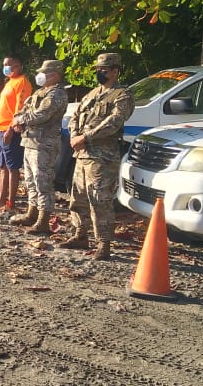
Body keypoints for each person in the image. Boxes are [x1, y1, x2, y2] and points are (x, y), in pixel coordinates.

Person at [60, 53, 135, 259]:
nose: (99, 73)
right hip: (82, 154)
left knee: (100, 200)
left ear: (115, 71)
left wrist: (86, 137)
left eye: (104, 69)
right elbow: (75, 116)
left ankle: (103, 243)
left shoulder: (122, 95)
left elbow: (114, 122)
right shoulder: (92, 94)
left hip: (102, 156)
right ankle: (80, 234)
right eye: (98, 69)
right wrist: (75, 135)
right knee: (78, 197)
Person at [8, 60, 69, 234]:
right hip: (30, 141)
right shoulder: (40, 92)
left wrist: (21, 120)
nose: (40, 75)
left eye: (45, 72)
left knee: (43, 182)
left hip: (45, 144)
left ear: (55, 74)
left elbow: (42, 114)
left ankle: (43, 221)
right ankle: (32, 213)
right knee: (30, 181)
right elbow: (23, 110)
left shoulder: (57, 94)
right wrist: (17, 121)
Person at [0, 55, 32, 212]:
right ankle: (1, 200)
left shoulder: (22, 83)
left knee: (12, 167)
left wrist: (11, 129)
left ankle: (11, 202)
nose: (5, 68)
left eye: (7, 65)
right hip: (0, 129)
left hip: (11, 130)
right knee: (2, 166)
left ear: (17, 65)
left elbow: (20, 109)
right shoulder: (9, 82)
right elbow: (4, 107)